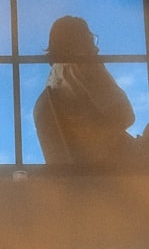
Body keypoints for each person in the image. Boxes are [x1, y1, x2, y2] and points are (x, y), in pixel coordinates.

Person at [33, 16, 135, 165]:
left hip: (93, 163)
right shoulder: (85, 67)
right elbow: (125, 115)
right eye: (90, 40)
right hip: (118, 160)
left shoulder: (55, 78)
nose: (96, 48)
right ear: (79, 42)